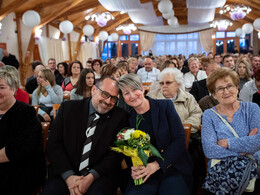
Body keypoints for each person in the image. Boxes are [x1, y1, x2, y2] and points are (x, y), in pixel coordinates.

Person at [42, 77, 128, 195]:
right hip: (65, 171)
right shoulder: (68, 109)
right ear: (94, 90)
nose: (108, 101)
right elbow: (54, 144)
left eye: (113, 98)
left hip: (100, 175)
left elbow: (115, 153)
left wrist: (91, 176)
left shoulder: (120, 117)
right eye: (105, 94)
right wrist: (69, 177)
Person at [118, 73, 193, 194]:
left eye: (134, 89)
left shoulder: (165, 106)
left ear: (142, 89)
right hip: (144, 170)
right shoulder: (128, 118)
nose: (132, 96)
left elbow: (179, 140)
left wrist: (156, 164)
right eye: (126, 93)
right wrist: (134, 168)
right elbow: (129, 150)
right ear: (123, 97)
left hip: (171, 166)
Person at [201, 67, 260, 194]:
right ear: (214, 94)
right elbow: (210, 149)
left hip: (254, 169)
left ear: (237, 88)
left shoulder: (252, 108)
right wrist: (243, 152)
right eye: (220, 88)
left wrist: (228, 143)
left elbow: (258, 141)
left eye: (230, 86)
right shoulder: (209, 115)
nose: (226, 91)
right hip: (222, 171)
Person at [0, 70, 46, 194]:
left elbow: (22, 148)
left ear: (14, 90)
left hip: (20, 169)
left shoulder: (26, 113)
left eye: (1, 87)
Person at [148, 68, 202, 133]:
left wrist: (179, 128)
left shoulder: (188, 97)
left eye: (168, 83)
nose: (164, 86)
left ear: (178, 84)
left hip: (186, 136)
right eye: (162, 83)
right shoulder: (151, 97)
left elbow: (197, 114)